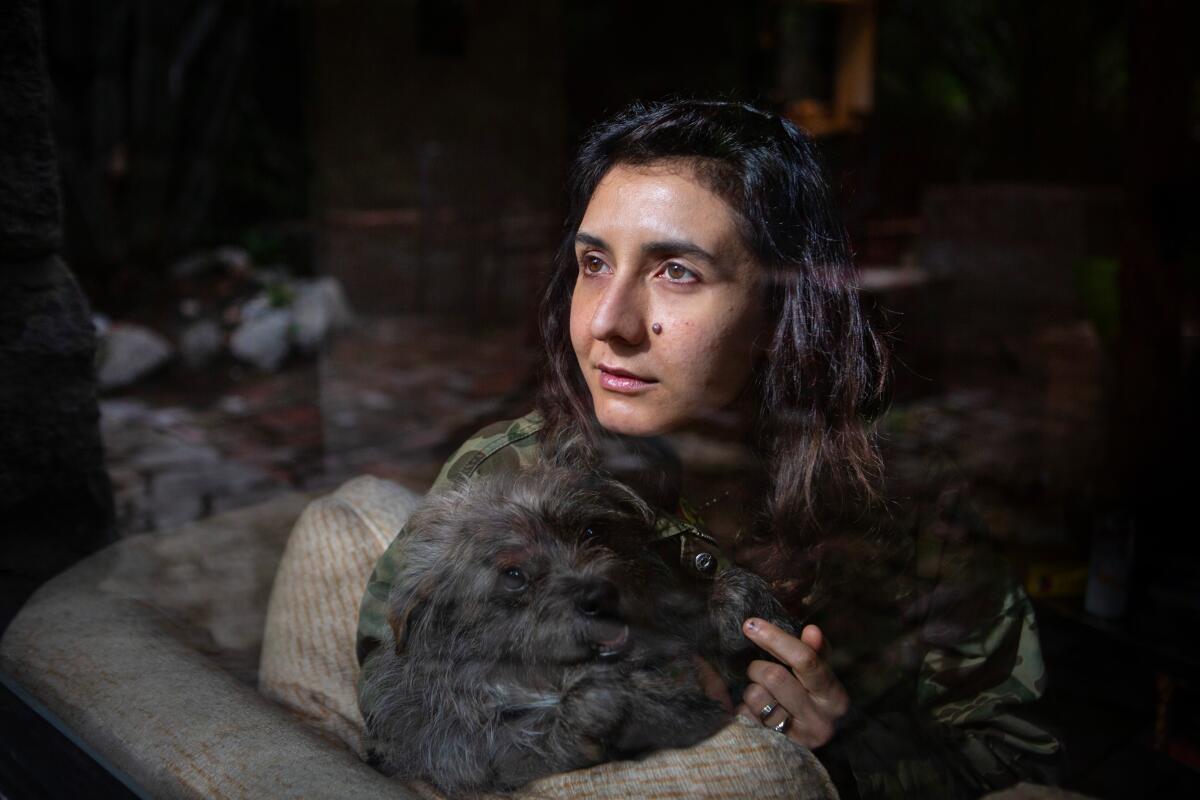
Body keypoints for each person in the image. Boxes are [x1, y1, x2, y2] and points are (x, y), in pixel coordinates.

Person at [356, 99, 1060, 798]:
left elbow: (1008, 751)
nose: (608, 321)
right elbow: (391, 680)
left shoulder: (908, 509)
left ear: (783, 309)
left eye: (677, 272)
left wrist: (843, 752)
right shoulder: (501, 474)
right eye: (594, 263)